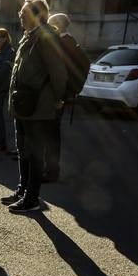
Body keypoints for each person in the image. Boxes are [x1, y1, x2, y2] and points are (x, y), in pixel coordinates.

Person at [2, 0, 67, 214]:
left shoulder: (46, 36)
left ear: (38, 14)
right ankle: (23, 190)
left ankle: (32, 198)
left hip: (39, 106)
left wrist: (58, 99)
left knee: (35, 152)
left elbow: (58, 71)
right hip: (23, 104)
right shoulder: (28, 36)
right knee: (23, 150)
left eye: (24, 12)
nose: (20, 15)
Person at [44, 12, 76, 181]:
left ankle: (51, 171)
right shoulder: (68, 41)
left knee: (51, 134)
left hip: (58, 95)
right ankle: (49, 168)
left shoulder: (64, 43)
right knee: (50, 133)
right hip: (59, 94)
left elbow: (60, 72)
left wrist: (58, 96)